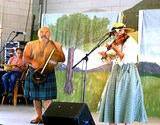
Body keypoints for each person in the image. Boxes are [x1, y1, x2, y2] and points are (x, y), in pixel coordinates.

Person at [98, 22, 148, 125]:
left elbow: (126, 59)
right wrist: (105, 55)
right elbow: (112, 59)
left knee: (127, 98)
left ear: (124, 30)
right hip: (116, 71)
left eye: (119, 31)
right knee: (112, 97)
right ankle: (113, 122)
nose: (117, 33)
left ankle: (127, 122)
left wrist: (116, 50)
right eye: (115, 32)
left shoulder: (130, 42)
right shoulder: (116, 42)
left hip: (128, 71)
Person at [23, 26, 65, 124]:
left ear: (50, 34)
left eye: (46, 32)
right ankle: (39, 116)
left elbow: (62, 59)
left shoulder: (55, 45)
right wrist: (33, 62)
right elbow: (25, 58)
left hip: (48, 72)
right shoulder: (31, 44)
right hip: (34, 72)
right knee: (35, 97)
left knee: (47, 98)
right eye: (41, 32)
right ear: (38, 34)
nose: (44, 34)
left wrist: (59, 48)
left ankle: (48, 117)